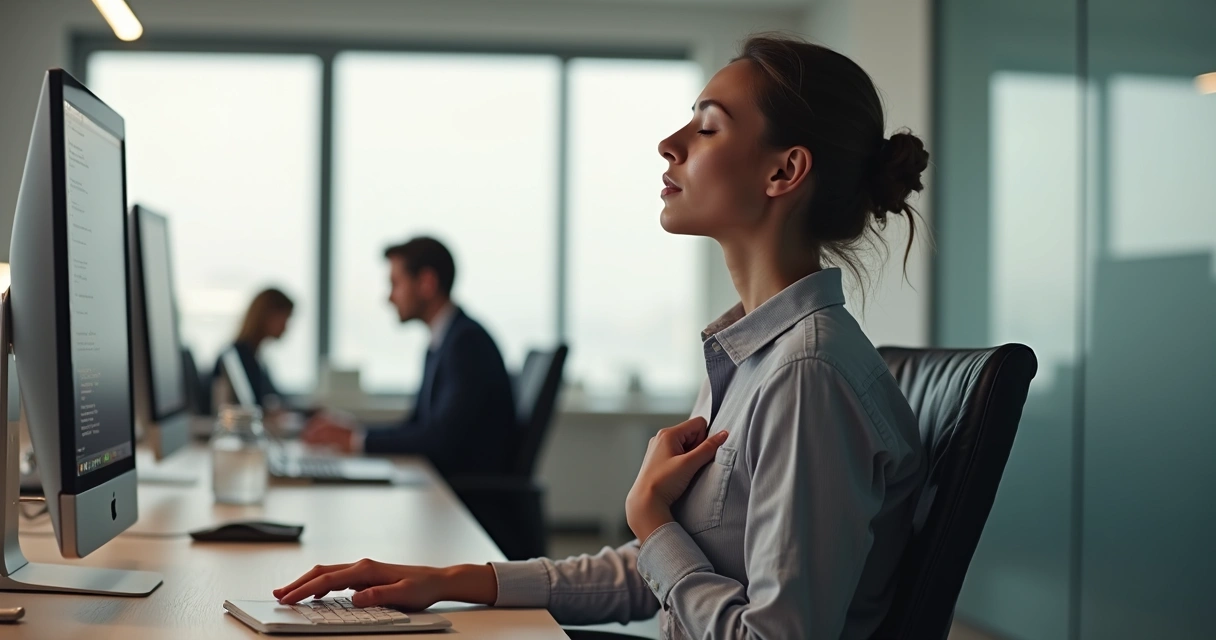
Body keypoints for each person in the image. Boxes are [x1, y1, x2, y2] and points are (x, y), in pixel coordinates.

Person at [276, 35, 930, 639]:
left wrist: (651, 519)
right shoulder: (752, 357)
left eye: (706, 127)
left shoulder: (804, 373)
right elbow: (660, 573)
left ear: (783, 173)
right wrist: (450, 581)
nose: (669, 143)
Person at [301, 237, 516, 478]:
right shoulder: (445, 340)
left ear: (426, 283)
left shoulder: (466, 343)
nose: (389, 297)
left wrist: (356, 439)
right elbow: (418, 426)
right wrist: (355, 432)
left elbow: (441, 440)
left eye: (395, 284)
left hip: (463, 498)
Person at [213, 287, 294, 411]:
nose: (286, 327)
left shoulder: (257, 357)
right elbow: (228, 411)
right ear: (267, 316)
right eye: (285, 319)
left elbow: (272, 399)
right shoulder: (234, 358)